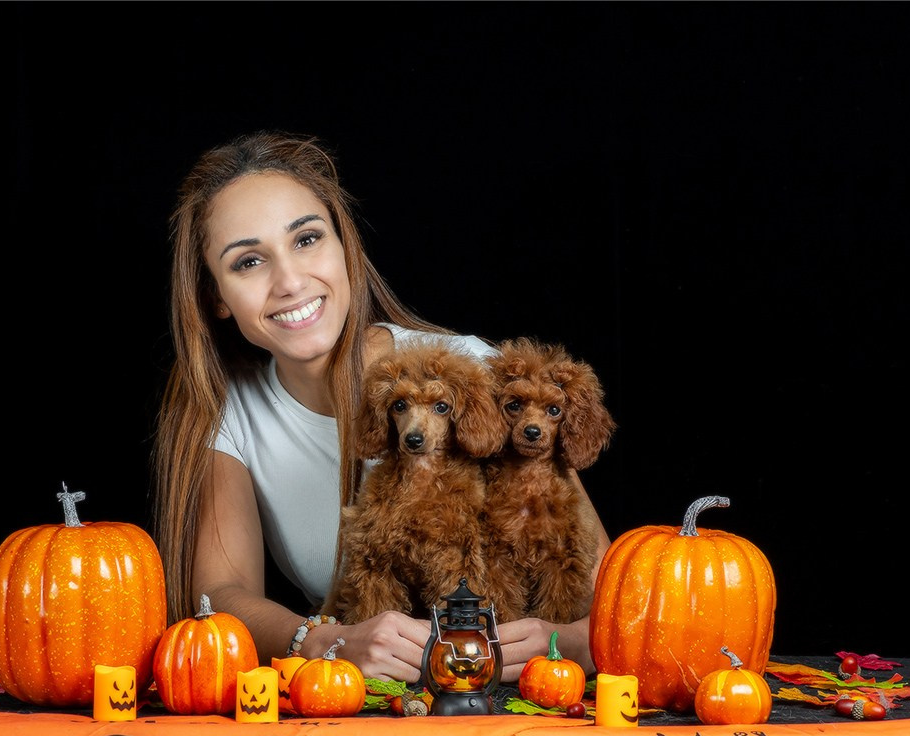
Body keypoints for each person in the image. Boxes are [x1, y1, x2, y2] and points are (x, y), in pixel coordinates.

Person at [150, 130, 611, 684]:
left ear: (344, 246)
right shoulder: (234, 411)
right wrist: (326, 641)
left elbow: (605, 577)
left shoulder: (473, 374)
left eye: (306, 240)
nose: (290, 281)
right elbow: (222, 595)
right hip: (360, 714)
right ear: (216, 298)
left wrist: (565, 642)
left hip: (504, 701)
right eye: (248, 262)